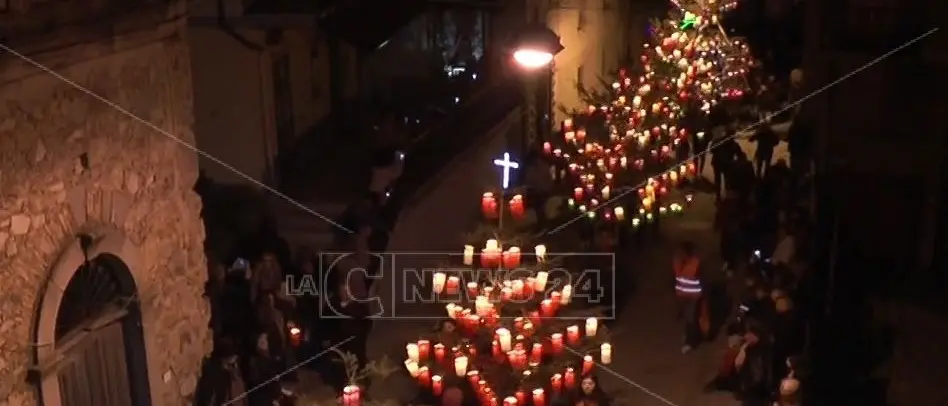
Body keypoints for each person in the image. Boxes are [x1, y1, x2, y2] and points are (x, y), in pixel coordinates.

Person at [673, 241, 705, 353]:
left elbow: (702, 278)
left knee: (691, 319)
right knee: (688, 318)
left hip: (693, 296)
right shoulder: (678, 262)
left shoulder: (696, 263)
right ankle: (690, 337)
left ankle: (691, 342)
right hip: (682, 295)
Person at [735, 319, 774, 406]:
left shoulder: (764, 351)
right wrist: (743, 349)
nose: (745, 336)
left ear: (756, 335)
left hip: (759, 394)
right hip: (753, 393)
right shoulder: (749, 349)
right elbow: (738, 365)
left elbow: (759, 377)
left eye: (748, 333)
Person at [244, 333, 283, 406]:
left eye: (265, 341)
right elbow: (254, 380)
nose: (264, 343)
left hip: (266, 398)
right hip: (261, 399)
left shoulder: (268, 360)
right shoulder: (255, 361)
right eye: (261, 342)